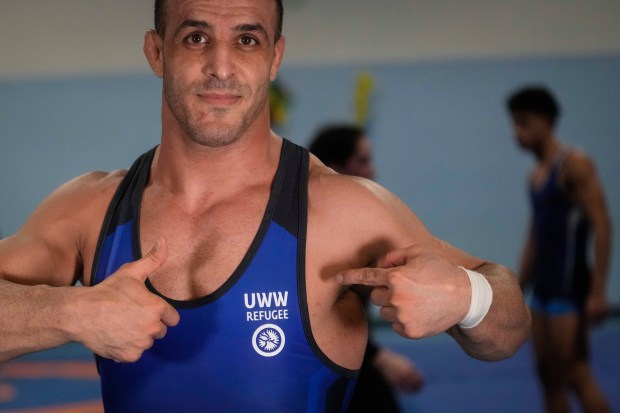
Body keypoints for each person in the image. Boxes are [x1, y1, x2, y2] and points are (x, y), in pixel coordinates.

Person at [0, 0, 531, 411]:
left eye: (247, 39)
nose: (221, 66)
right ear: (157, 51)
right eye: (196, 36)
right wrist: (69, 311)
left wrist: (470, 296)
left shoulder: (342, 210)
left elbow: (509, 327)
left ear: (275, 56)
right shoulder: (93, 208)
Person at [506, 86, 612, 413]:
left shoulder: (575, 165)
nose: (517, 132)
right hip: (544, 290)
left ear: (547, 121)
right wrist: (516, 288)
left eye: (524, 123)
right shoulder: (535, 175)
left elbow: (603, 225)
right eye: (514, 123)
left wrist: (597, 292)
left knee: (575, 373)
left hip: (571, 289)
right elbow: (535, 239)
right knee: (548, 377)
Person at [309, 124, 424, 413]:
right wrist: (379, 358)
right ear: (336, 166)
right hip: (322, 363)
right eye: (363, 161)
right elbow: (316, 315)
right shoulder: (316, 231)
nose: (372, 171)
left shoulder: (358, 222)